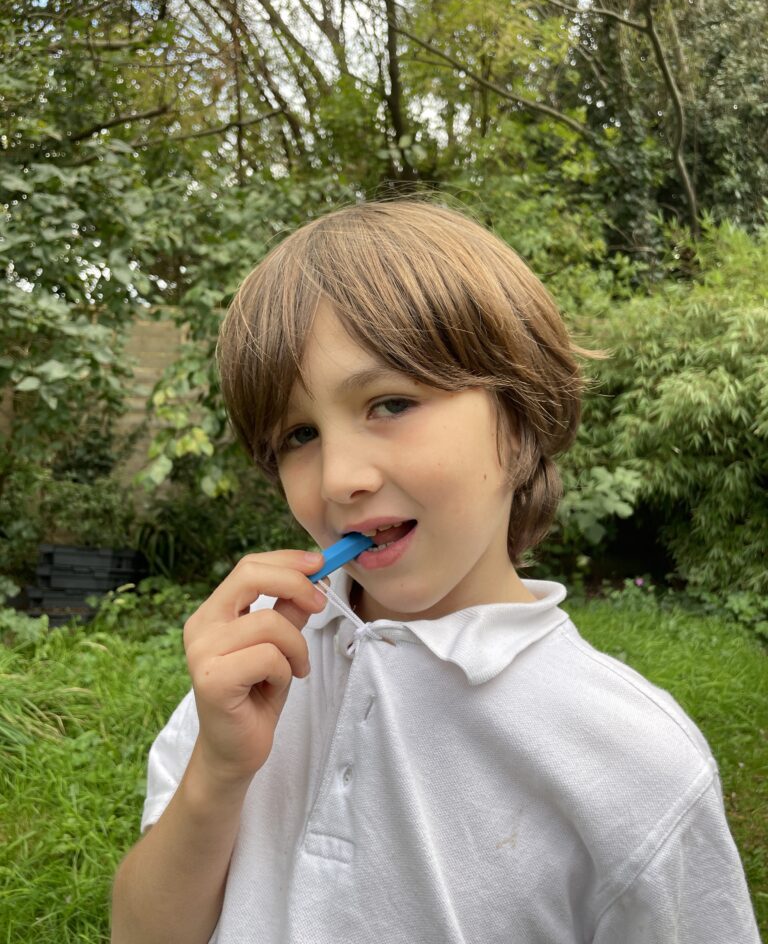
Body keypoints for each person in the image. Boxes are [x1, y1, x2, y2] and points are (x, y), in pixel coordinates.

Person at [111, 200, 760, 944]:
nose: (339, 479)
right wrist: (219, 775)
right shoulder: (254, 671)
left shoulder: (636, 762)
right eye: (299, 434)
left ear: (520, 425)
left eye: (390, 402)